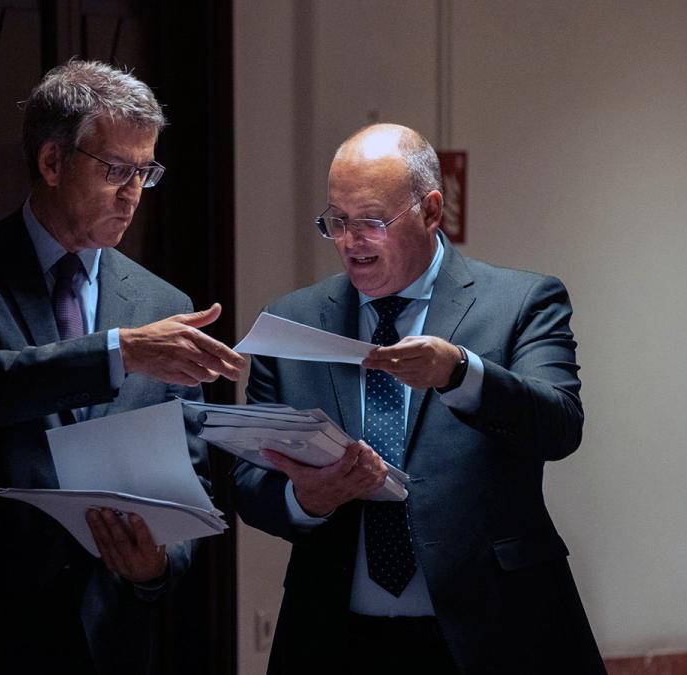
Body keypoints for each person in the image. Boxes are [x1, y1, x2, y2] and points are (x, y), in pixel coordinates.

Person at [0, 59, 245, 674]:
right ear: (52, 162)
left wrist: (160, 566)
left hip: (104, 625)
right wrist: (120, 352)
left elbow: (185, 482)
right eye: (115, 170)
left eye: (145, 172)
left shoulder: (163, 305)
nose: (133, 193)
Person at [232, 123, 604, 673]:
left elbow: (558, 427)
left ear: (431, 212)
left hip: (494, 633)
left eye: (371, 222)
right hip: (334, 638)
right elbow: (249, 482)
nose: (349, 241)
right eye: (336, 221)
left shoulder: (521, 301)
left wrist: (461, 373)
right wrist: (310, 497)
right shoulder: (292, 321)